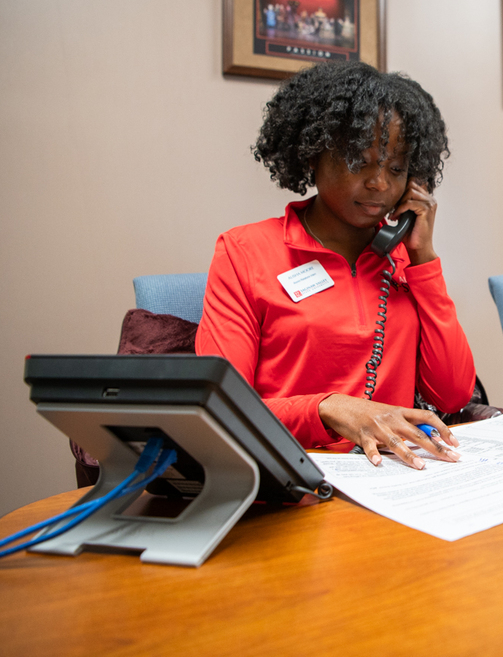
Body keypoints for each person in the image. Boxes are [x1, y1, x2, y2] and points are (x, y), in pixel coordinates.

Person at [196, 61, 476, 469]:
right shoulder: (245, 251)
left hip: (395, 479)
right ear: (313, 155)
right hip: (290, 476)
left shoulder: (403, 259)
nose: (379, 182)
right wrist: (328, 409)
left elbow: (453, 394)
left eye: (396, 168)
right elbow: (220, 411)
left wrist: (423, 259)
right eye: (358, 161)